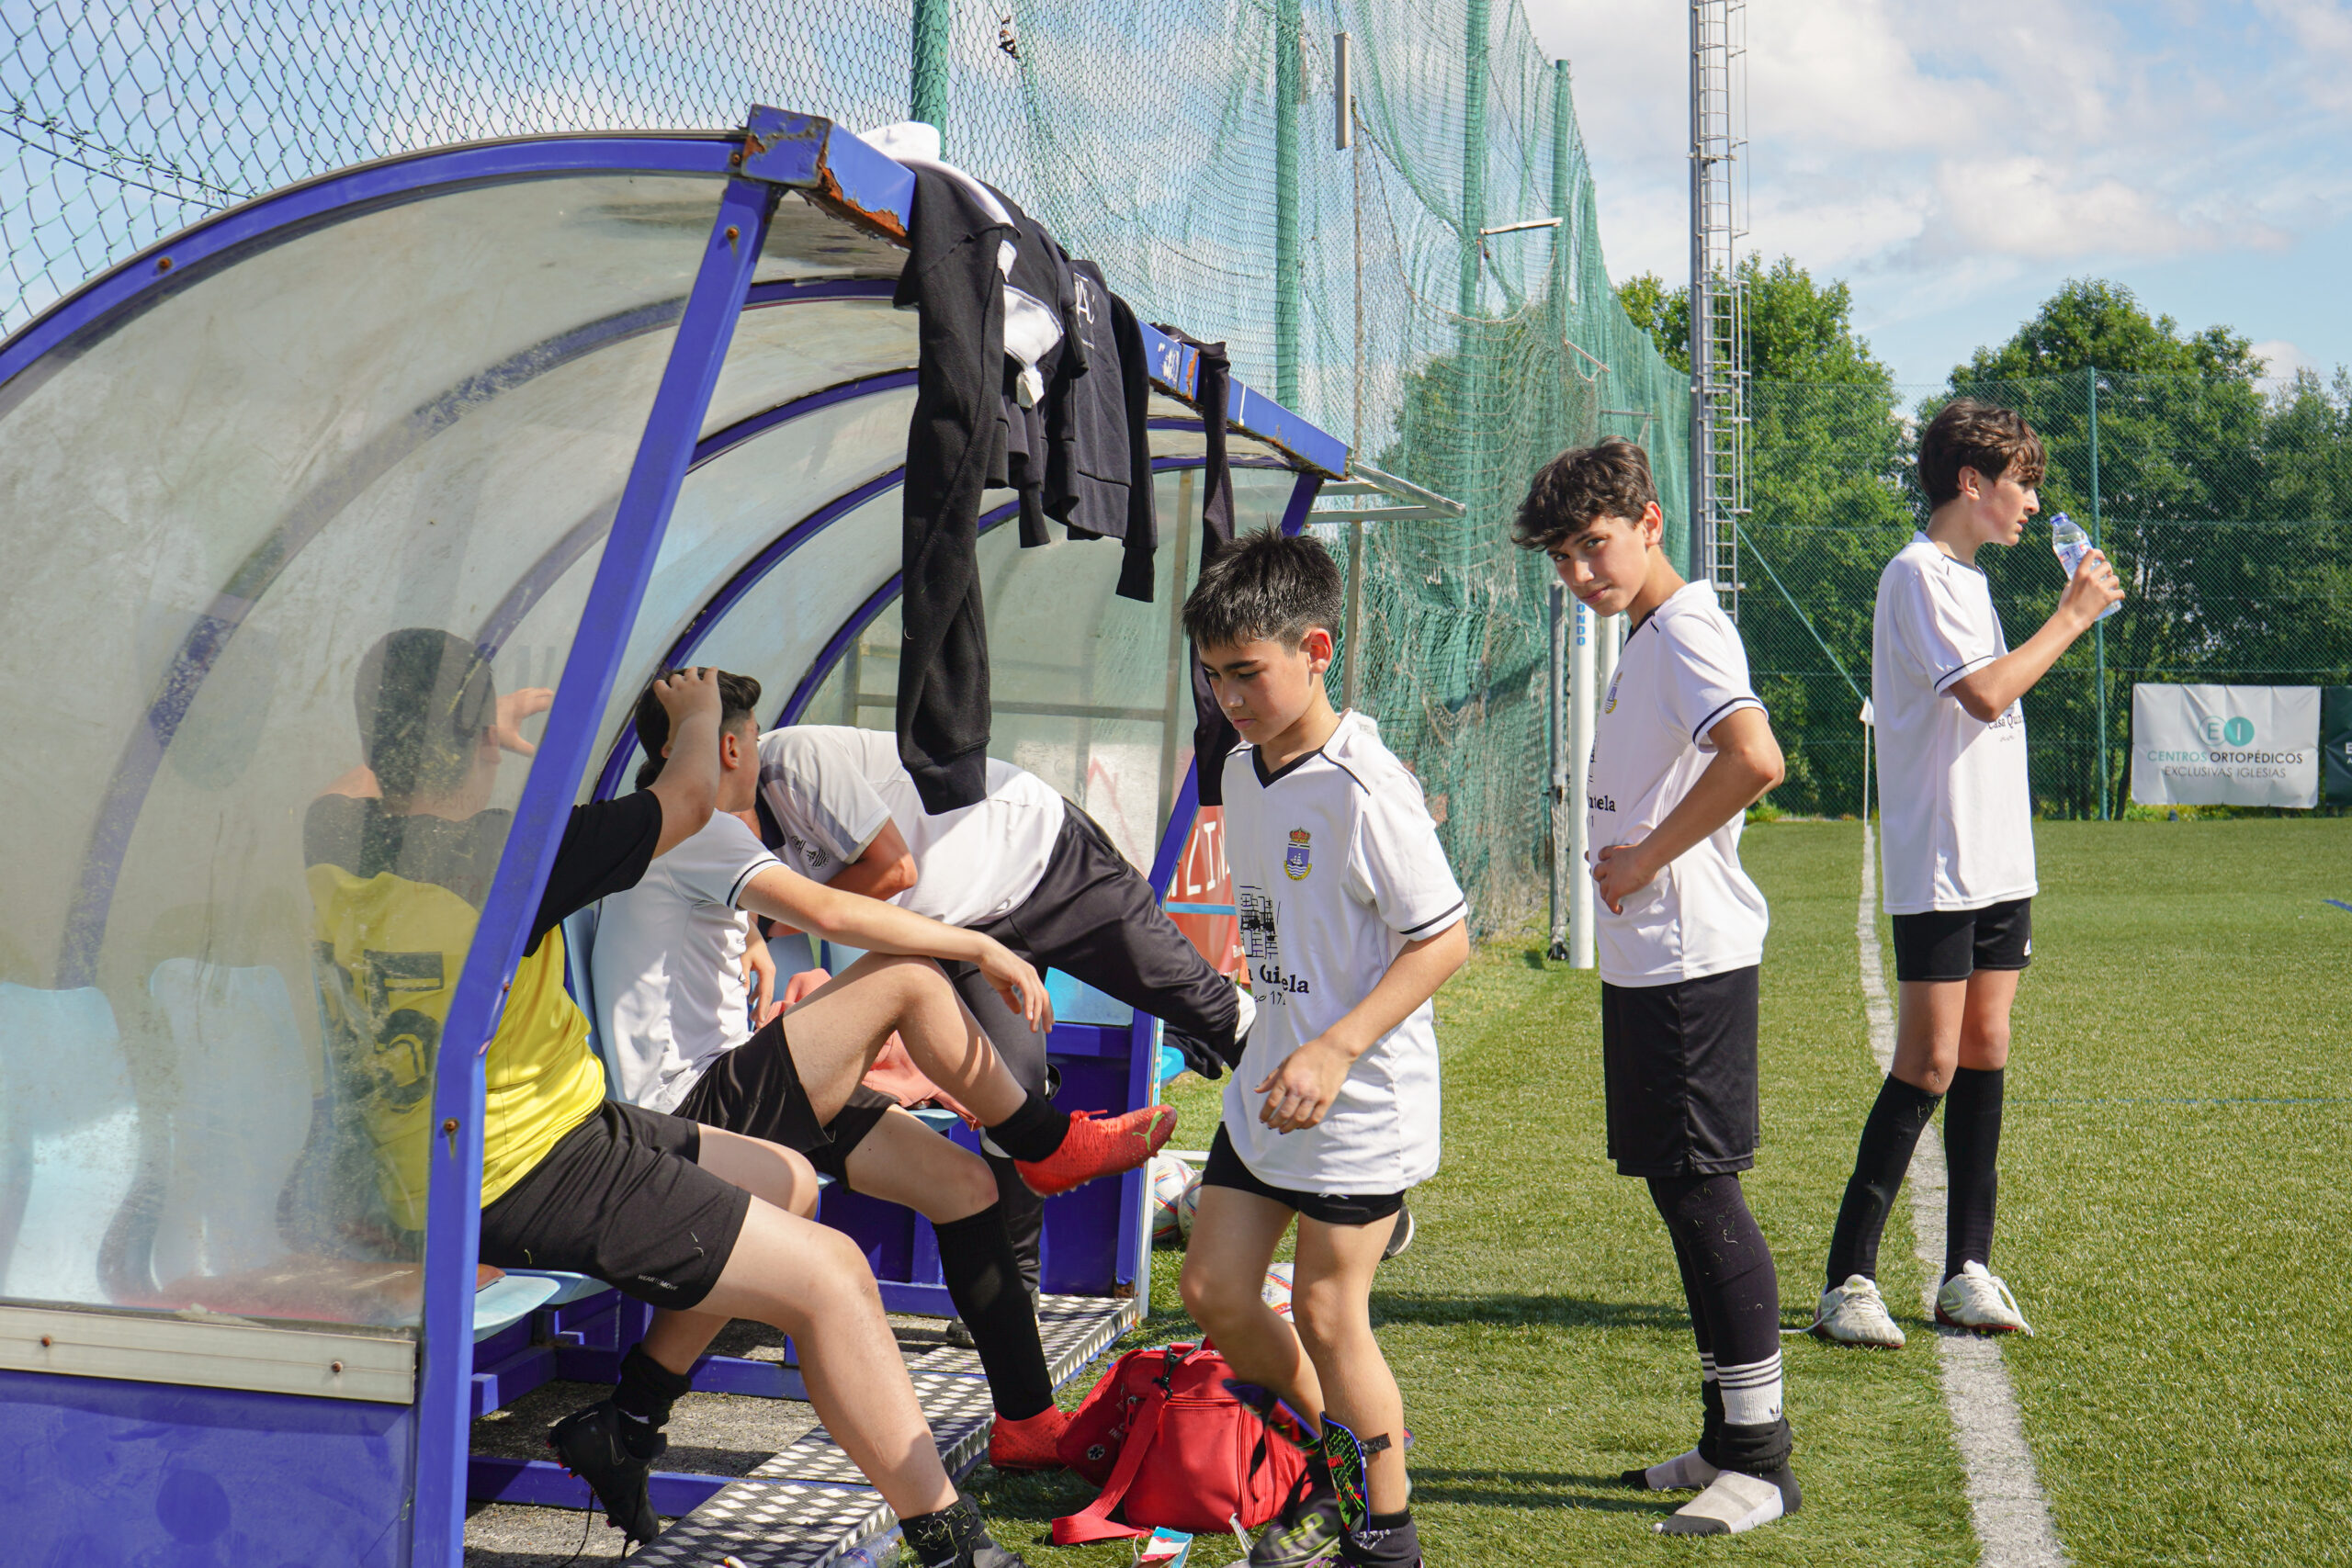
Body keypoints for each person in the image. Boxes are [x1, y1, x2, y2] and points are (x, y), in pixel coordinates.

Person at [304, 631, 1030, 1567]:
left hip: (479, 1142)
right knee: (833, 1276)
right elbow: (686, 798)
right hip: (519, 1166)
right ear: (478, 744)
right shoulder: (516, 855)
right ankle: (954, 1545)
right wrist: (694, 714)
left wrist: (469, 726)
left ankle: (629, 1423)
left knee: (785, 1180)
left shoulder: (331, 830)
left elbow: (363, 776)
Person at [594, 669, 1175, 1471]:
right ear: (728, 747)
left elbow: (713, 921)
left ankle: (1028, 1420)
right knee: (907, 977)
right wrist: (977, 943)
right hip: (685, 1116)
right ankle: (1044, 1141)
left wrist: (748, 936)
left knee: (962, 1185)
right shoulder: (694, 827)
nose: (759, 756)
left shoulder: (670, 828)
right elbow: (834, 911)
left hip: (719, 1092)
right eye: (755, 740)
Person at [1515, 438, 1800, 1536]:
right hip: (1654, 960)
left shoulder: (1684, 629)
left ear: (1649, 524)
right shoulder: (1647, 631)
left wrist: (1641, 860)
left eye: (1594, 546)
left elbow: (1755, 758)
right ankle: (1726, 1440)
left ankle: (1761, 1464)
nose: (1579, 572)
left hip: (1689, 957)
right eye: (1561, 557)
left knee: (1701, 1194)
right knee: (1678, 1193)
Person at [1170, 531, 1468, 1568]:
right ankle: (1334, 1460)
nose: (1229, 699)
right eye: (1212, 677)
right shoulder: (1239, 769)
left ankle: (1385, 1538)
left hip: (1358, 1100)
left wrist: (1336, 1048)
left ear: (1316, 650)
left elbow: (1445, 940)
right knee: (1213, 1290)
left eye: (1246, 673)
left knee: (1332, 1315)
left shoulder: (1365, 787)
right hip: (1270, 1086)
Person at [1813, 400, 2124, 1348]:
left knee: (1986, 1046)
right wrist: (2071, 617)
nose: (2031, 502)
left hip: (1997, 859)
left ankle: (1966, 1270)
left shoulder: (1968, 580)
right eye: (2021, 483)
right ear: (1970, 481)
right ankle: (1848, 1281)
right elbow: (1985, 694)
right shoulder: (1915, 574)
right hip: (1942, 860)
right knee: (1928, 1060)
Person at [752, 720, 1255, 1292]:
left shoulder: (790, 758)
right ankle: (1019, 1290)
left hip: (1053, 863)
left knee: (1218, 1014)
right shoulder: (711, 827)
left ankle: (1317, 1169)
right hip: (965, 929)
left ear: (733, 750)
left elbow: (892, 869)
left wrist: (765, 920)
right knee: (1010, 1100)